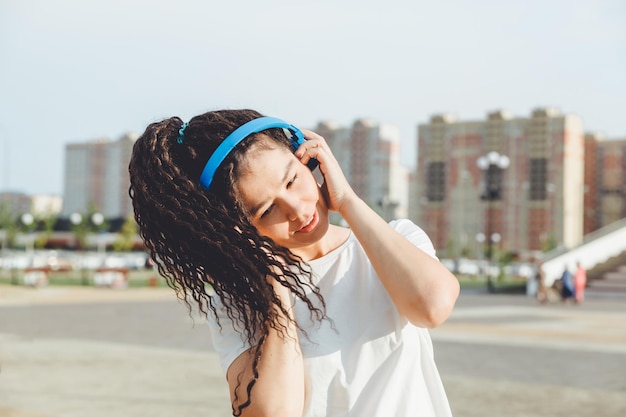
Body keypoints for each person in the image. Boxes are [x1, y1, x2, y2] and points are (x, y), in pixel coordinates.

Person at [128, 109, 460, 417]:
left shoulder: (396, 239)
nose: (298, 211)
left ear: (310, 159)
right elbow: (274, 413)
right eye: (266, 210)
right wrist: (272, 282)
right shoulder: (234, 304)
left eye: (292, 181)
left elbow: (432, 307)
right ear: (238, 228)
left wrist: (347, 200)